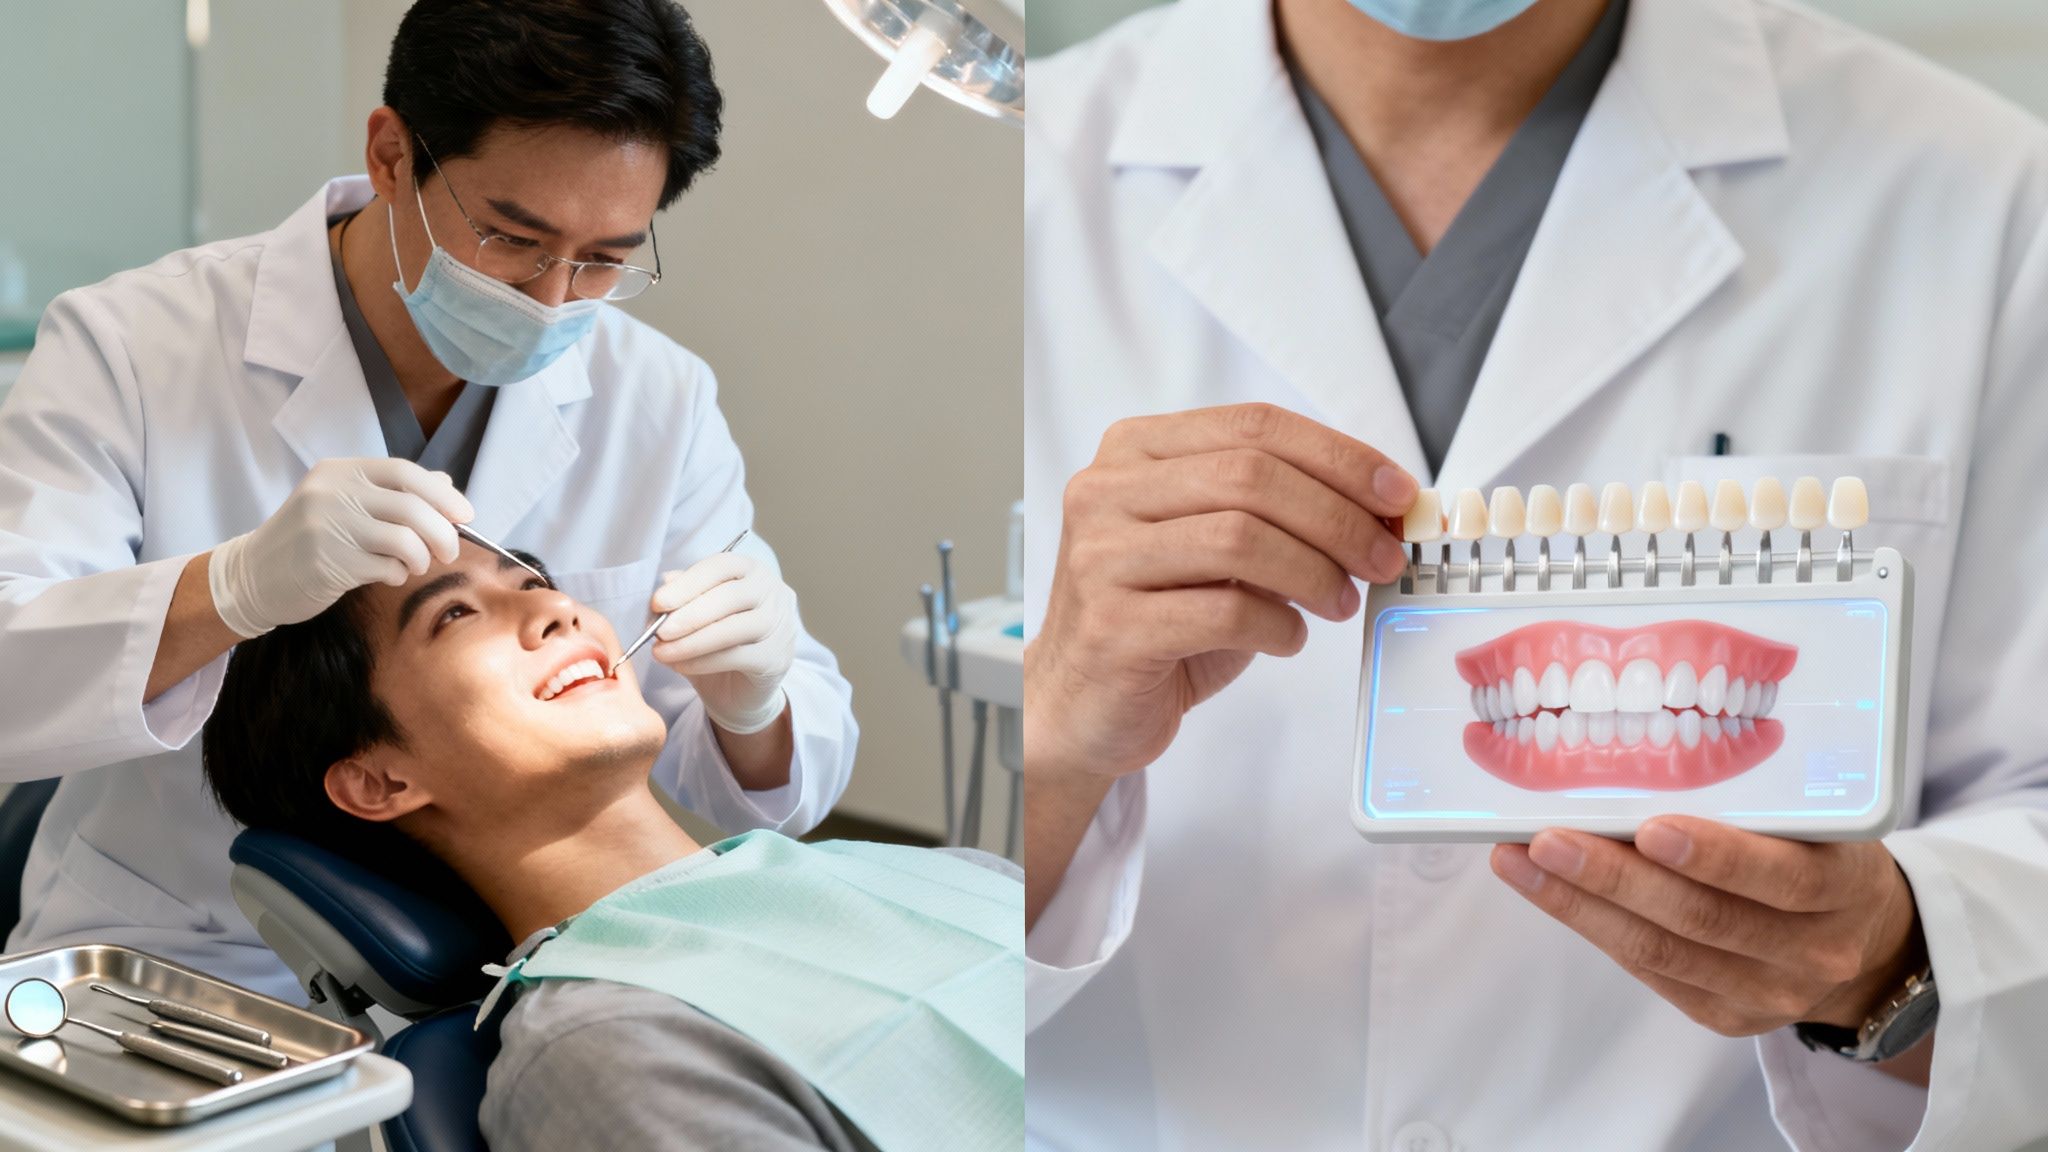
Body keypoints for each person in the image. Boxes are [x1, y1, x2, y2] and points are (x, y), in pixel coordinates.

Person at [1023, 0, 2048, 1149]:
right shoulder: (1029, 177)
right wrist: (1051, 750)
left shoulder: (1984, 198)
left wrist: (1897, 960)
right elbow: (865, 919)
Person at [0, 0, 859, 1003]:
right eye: (510, 237)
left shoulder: (657, 396)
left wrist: (752, 702)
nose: (551, 299)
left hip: (527, 967)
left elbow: (772, 789)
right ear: (391, 154)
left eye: (605, 259)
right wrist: (225, 592)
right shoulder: (135, 346)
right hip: (184, 954)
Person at [200, 541, 1021, 1152]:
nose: (556, 610)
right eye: (455, 614)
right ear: (379, 782)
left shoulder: (936, 874)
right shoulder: (605, 1051)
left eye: (536, 584)